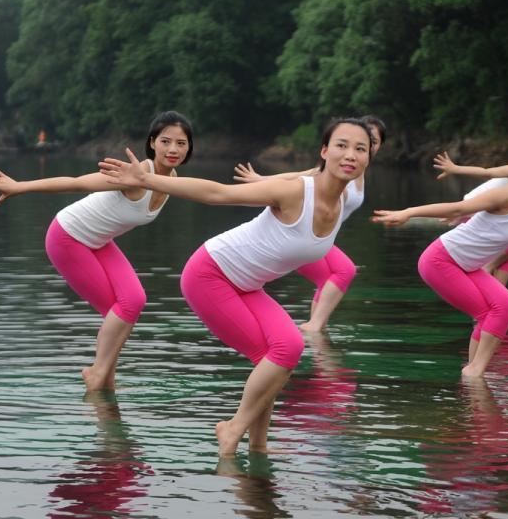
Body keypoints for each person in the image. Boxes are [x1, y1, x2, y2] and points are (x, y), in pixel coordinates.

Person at [98, 118, 372, 456]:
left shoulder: (344, 200)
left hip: (247, 285)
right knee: (280, 352)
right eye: (342, 145)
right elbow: (218, 194)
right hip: (210, 275)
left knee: (287, 347)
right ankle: (233, 429)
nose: (351, 155)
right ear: (324, 151)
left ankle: (257, 445)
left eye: (361, 149)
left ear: (368, 158)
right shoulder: (295, 191)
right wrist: (146, 179)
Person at [0, 111, 193, 391]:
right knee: (122, 309)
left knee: (134, 301)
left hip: (100, 241)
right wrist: (20, 187)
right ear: (152, 143)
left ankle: (103, 375)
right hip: (68, 237)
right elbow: (78, 181)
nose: (173, 149)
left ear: (189, 147)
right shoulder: (133, 176)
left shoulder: (172, 178)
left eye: (181, 143)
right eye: (166, 141)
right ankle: (100, 376)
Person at [372, 133, 508, 377]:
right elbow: (459, 207)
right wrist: (409, 212)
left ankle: (473, 372)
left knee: (506, 304)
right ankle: (475, 373)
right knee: (488, 312)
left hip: (468, 265)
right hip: (440, 260)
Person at [232, 115, 387, 331]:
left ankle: (317, 328)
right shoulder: (332, 170)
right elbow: (300, 176)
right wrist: (262, 180)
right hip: (302, 232)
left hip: (318, 239)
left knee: (333, 277)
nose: (365, 144)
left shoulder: (357, 172)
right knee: (344, 270)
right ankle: (314, 327)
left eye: (373, 141)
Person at [432, 151, 508, 285]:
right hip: (475, 213)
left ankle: (495, 291)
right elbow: (486, 172)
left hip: (494, 221)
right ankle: (485, 271)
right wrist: (455, 168)